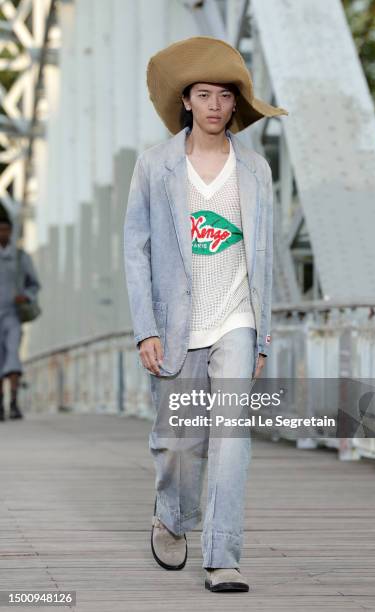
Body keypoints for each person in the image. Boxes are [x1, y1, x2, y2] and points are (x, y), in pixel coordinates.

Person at [123, 35, 288, 592]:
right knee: (178, 443)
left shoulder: (256, 171)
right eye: (203, 94)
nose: (214, 104)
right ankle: (171, 516)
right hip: (175, 324)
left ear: (234, 105)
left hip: (236, 318)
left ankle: (222, 555)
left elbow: (263, 256)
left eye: (224, 95)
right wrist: (144, 327)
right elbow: (135, 249)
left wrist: (262, 336)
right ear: (186, 102)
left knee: (232, 437)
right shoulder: (155, 167)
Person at [0, 207, 41, 421]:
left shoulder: (19, 257)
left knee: (13, 356)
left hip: (12, 315)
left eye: (6, 229)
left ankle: (13, 401)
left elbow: (34, 284)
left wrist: (25, 296)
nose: (3, 234)